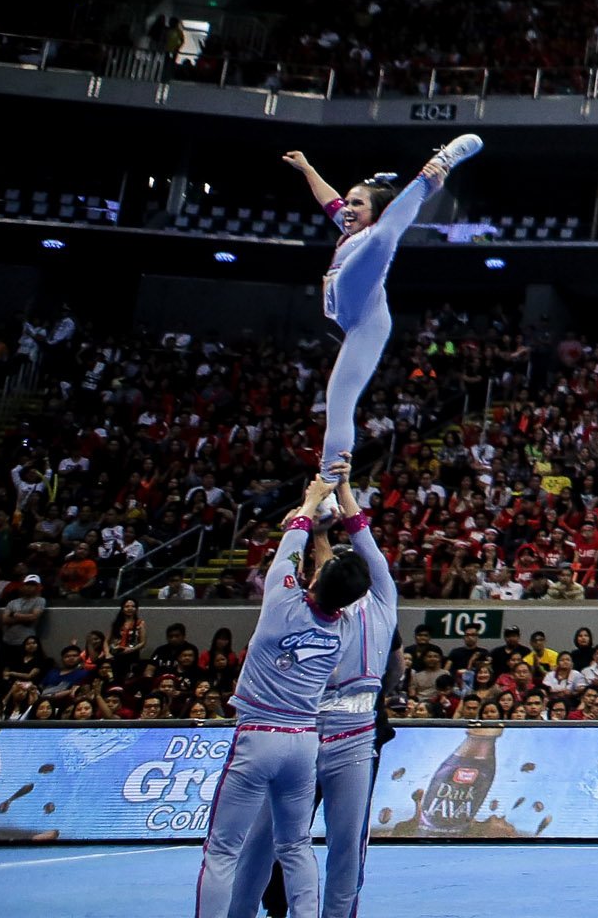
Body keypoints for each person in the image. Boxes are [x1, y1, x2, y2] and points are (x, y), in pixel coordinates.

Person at [193, 472, 375, 918]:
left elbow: (289, 543)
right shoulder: (343, 629)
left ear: (314, 582)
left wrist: (312, 500)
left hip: (257, 736)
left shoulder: (279, 601)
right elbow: (330, 581)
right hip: (303, 743)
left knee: (221, 850)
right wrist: (326, 534)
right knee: (295, 845)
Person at [282, 138, 482, 470]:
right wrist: (307, 168)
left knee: (383, 236)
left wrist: (428, 187)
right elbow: (328, 199)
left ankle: (439, 164)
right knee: (338, 401)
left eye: (357, 204)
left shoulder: (371, 233)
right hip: (358, 320)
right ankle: (332, 481)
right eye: (348, 202)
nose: (347, 208)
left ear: (374, 212)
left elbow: (386, 222)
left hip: (365, 305)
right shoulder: (348, 230)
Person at [269, 469, 399, 918]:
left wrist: (311, 518)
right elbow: (362, 544)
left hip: (311, 735)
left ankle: (279, 908)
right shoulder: (381, 605)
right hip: (346, 739)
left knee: (290, 839)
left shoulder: (316, 613)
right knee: (342, 849)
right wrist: (342, 492)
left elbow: (330, 568)